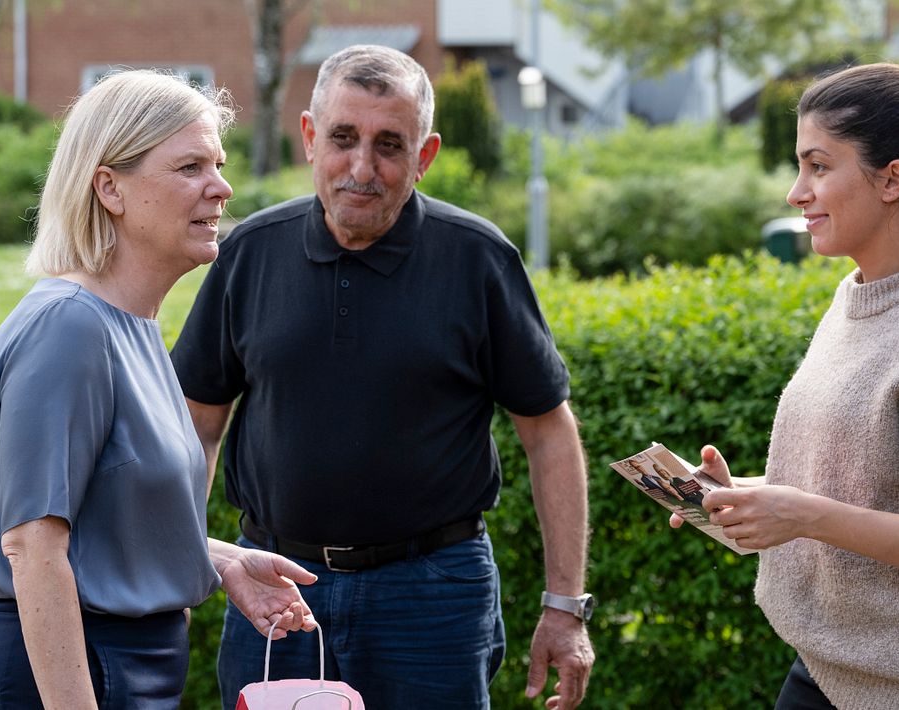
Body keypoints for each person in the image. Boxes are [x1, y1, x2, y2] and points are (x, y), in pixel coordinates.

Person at [170, 45, 595, 710]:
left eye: (390, 145)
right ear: (310, 137)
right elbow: (196, 427)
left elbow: (549, 435)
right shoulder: (250, 254)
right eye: (343, 138)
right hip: (277, 587)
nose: (362, 168)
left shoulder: (478, 260)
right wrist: (183, 566)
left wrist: (565, 605)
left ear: (424, 156)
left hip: (431, 595)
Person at [674, 63, 899, 709]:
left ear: (894, 179)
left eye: (818, 166)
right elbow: (873, 483)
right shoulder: (859, 298)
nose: (796, 191)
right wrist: (752, 498)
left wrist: (806, 515)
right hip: (826, 673)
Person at [0, 70, 317, 709]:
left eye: (218, 163)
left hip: (129, 671)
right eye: (189, 167)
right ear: (110, 189)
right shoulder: (68, 328)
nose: (222, 186)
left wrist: (220, 560)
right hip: (75, 677)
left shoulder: (132, 326)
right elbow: (33, 545)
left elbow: (106, 519)